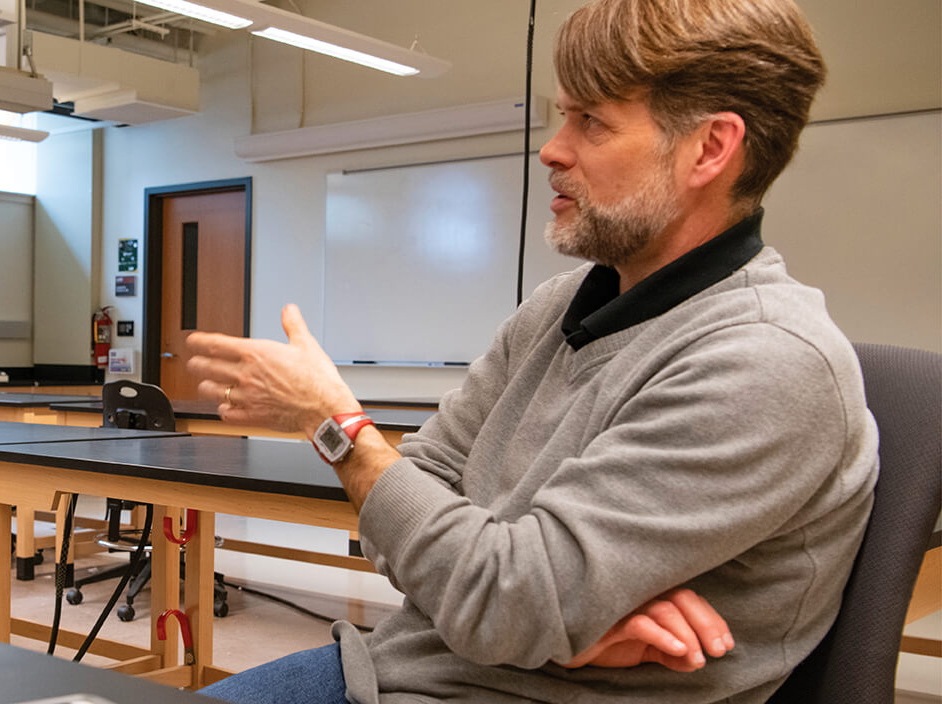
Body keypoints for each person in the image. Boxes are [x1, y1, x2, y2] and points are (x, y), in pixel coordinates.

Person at [186, 0, 877, 701]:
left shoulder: (764, 364)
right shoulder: (559, 308)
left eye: (591, 121)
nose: (552, 148)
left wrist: (337, 426)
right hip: (398, 667)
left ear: (710, 148)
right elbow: (410, 508)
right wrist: (544, 617)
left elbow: (486, 589)